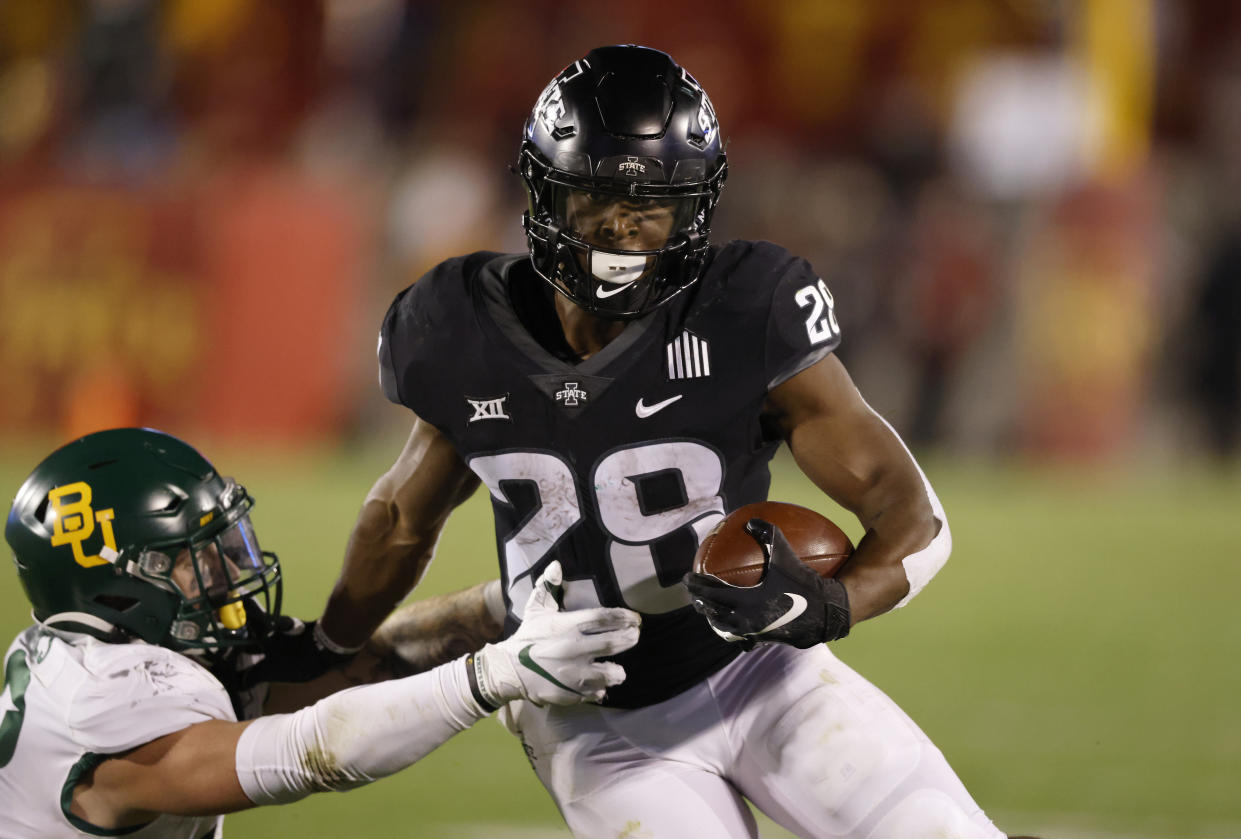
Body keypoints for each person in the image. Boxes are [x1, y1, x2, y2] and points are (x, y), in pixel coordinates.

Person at [294, 45, 1039, 839]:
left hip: (764, 672)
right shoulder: (456, 328)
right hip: (597, 721)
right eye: (597, 196)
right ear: (545, 193)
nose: (621, 224)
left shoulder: (743, 309)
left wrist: (830, 603)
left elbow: (912, 518)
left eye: (652, 202)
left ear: (697, 207)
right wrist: (330, 642)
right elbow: (399, 524)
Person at [0, 427, 640, 838]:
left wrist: (507, 603)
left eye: (229, 541)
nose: (233, 571)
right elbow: (298, 755)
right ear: (119, 582)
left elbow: (360, 665)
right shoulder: (101, 697)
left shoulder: (112, 655)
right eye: (200, 557)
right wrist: (489, 678)